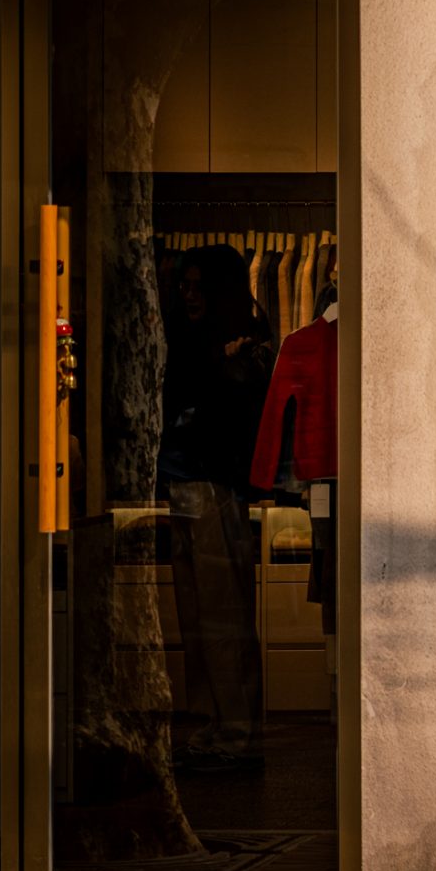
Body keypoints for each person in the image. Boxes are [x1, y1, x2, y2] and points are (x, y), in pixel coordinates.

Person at [159, 245, 277, 772]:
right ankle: (214, 721)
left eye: (197, 286)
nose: (188, 295)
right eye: (184, 286)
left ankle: (236, 728)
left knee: (221, 612)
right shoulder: (196, 339)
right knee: (198, 613)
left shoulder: (243, 340)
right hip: (185, 484)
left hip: (214, 485)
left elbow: (236, 414)